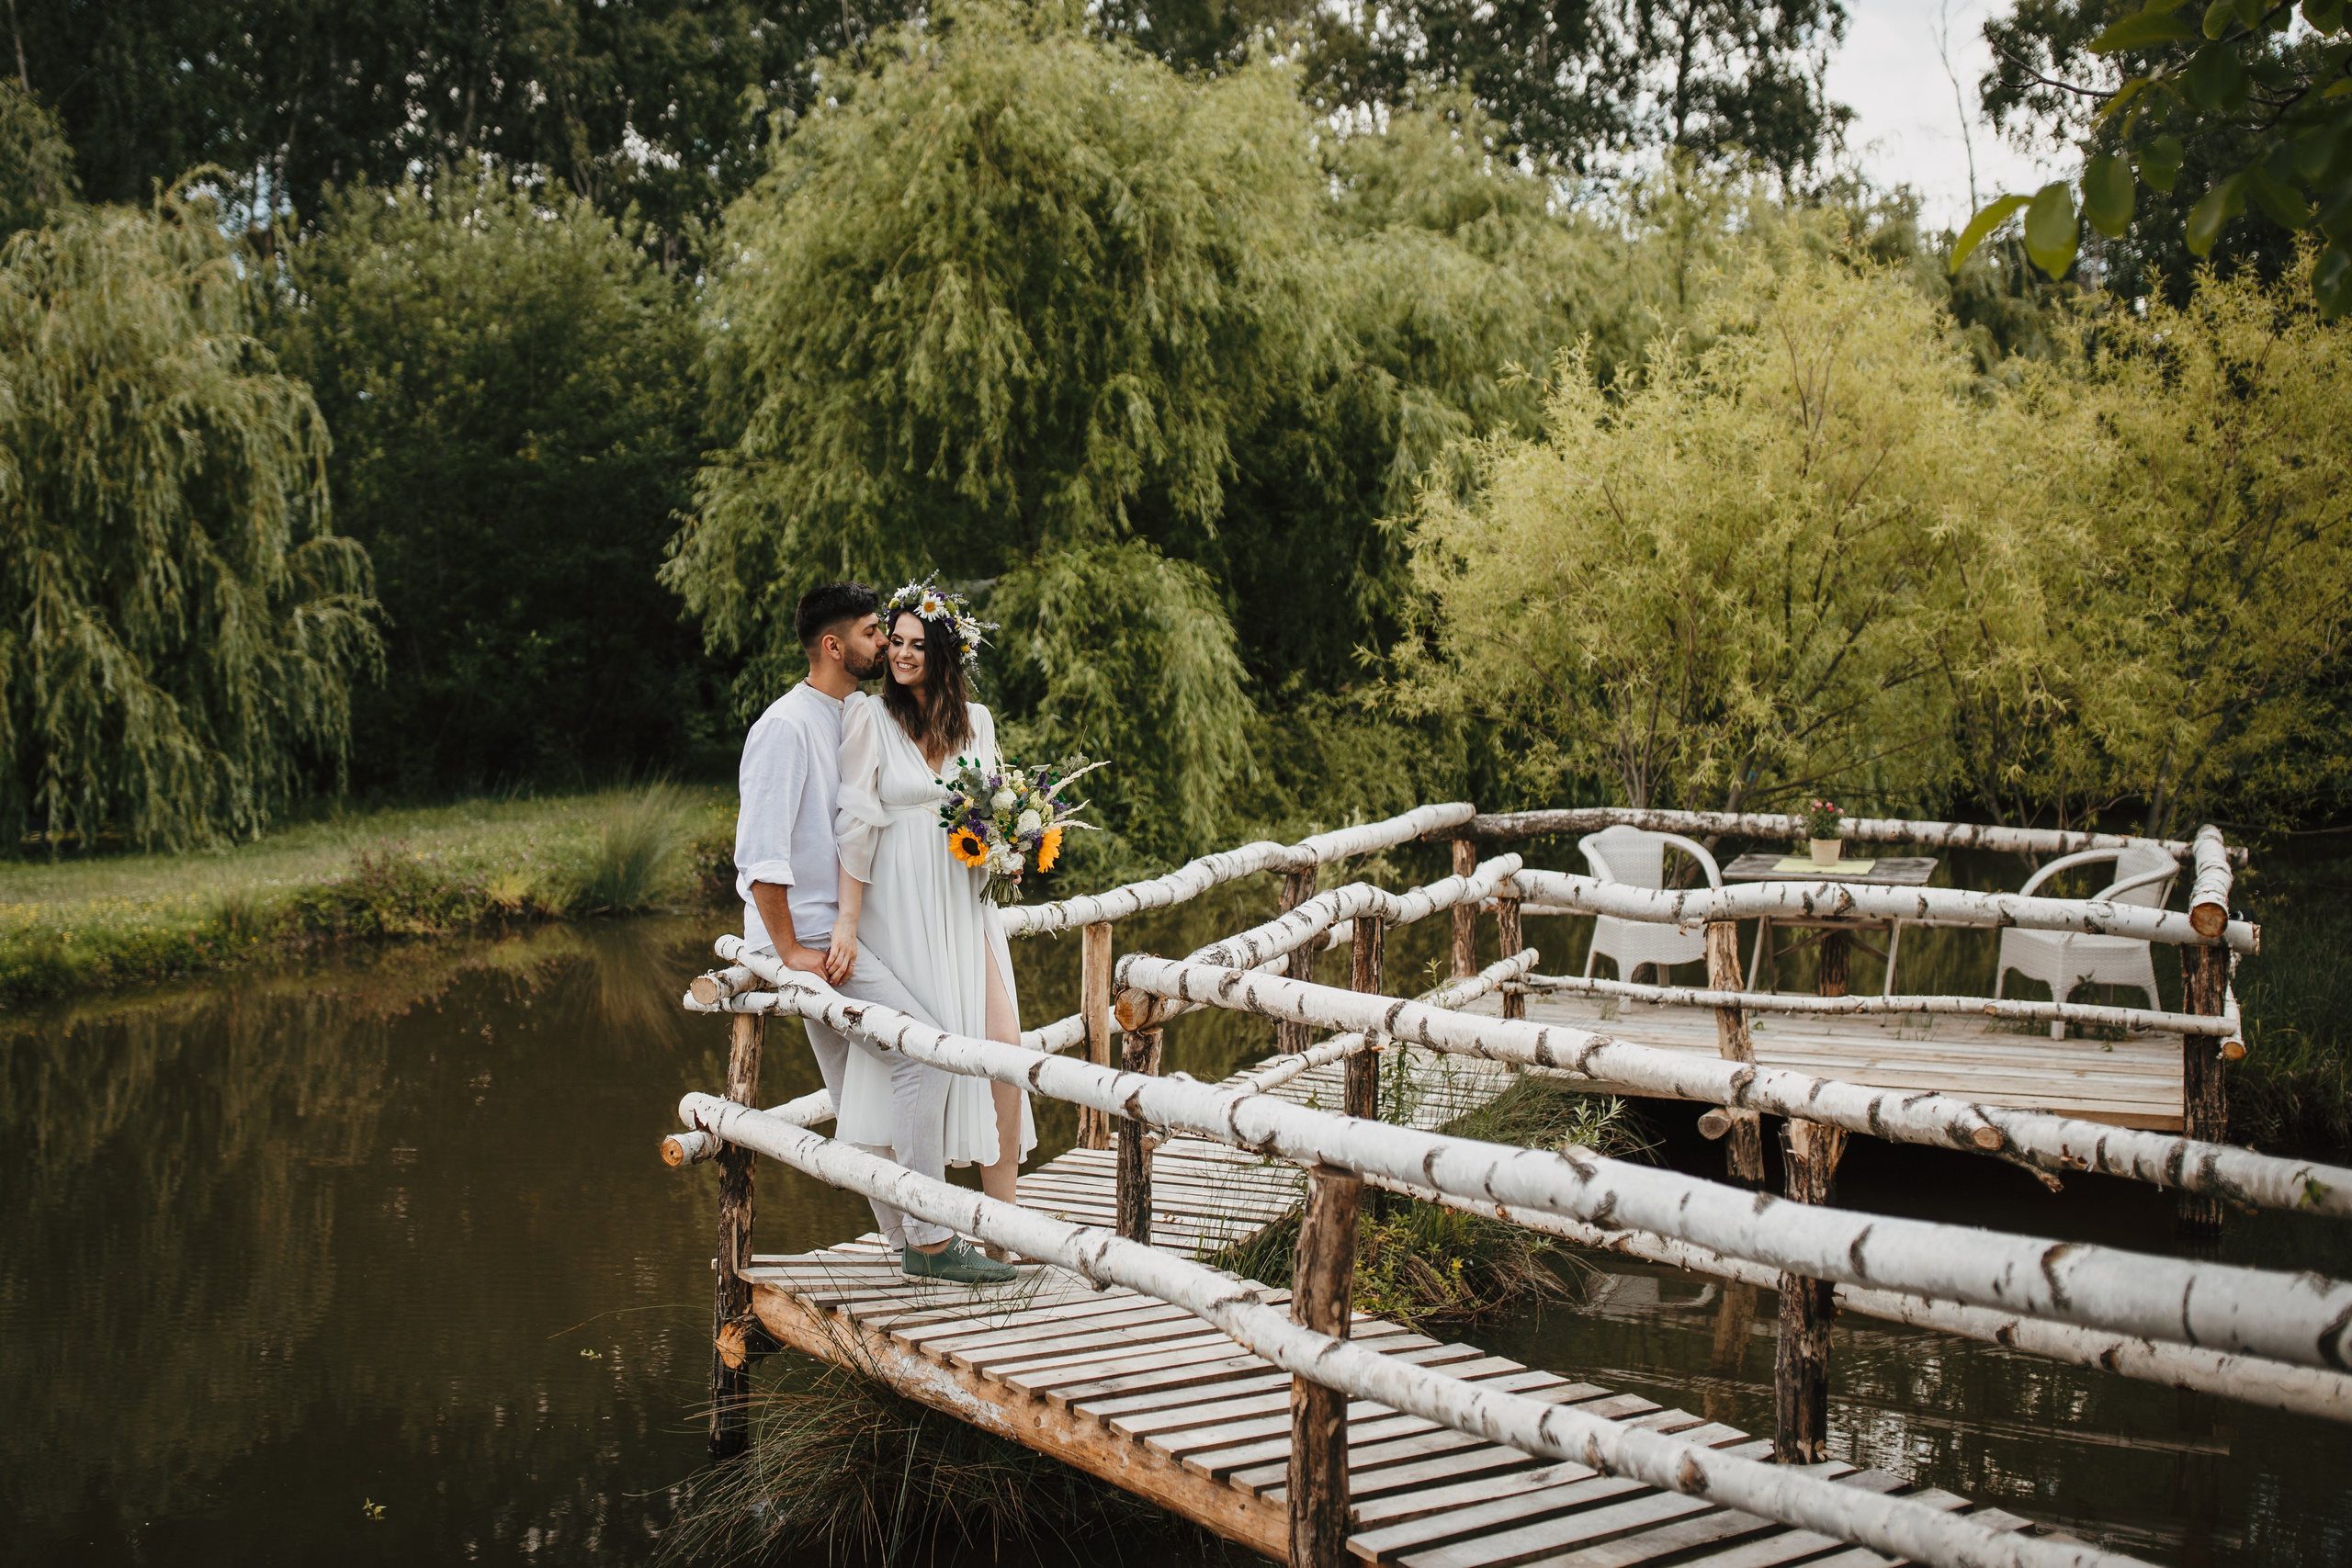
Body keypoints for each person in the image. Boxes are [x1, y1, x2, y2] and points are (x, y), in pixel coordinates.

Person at [733, 581, 1014, 1285]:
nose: (886, 644)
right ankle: (925, 1239)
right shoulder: (786, 726)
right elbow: (761, 856)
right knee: (920, 1055)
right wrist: (792, 949)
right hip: (811, 941)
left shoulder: (849, 713)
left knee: (862, 1090)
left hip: (835, 937)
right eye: (872, 633)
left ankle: (904, 1243)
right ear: (835, 646)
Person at [831, 581, 1035, 1245]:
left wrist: (1013, 847)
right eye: (895, 642)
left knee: (1001, 1048)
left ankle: (1001, 1229)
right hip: (896, 909)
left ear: (946, 653)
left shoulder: (977, 722)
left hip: (962, 902)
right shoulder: (869, 717)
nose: (902, 655)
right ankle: (925, 1230)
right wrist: (847, 921)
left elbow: (997, 804)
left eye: (919, 645)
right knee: (924, 1056)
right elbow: (856, 825)